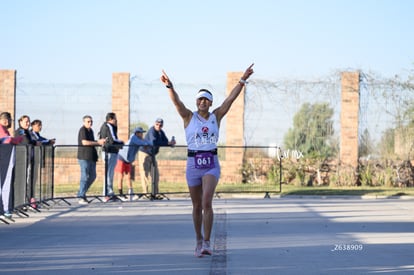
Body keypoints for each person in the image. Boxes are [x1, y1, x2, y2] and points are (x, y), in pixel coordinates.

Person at [160, 63, 254, 257]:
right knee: (195, 206)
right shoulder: (188, 117)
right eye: (200, 99)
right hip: (193, 163)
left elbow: (230, 99)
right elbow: (176, 102)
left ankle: (207, 242)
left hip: (210, 162)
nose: (203, 102)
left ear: (210, 103)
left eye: (206, 100)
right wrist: (170, 87)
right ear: (196, 102)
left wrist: (243, 80)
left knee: (206, 202)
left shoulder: (216, 116)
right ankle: (198, 240)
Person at [138, 118, 175, 199]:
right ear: (154, 124)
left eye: (160, 125)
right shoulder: (152, 131)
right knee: (145, 173)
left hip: (152, 154)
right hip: (145, 153)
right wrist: (167, 143)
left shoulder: (161, 132)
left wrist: (170, 143)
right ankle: (146, 194)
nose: (158, 126)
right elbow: (153, 142)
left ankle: (155, 193)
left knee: (155, 174)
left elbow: (165, 141)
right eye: (157, 124)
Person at [115, 127, 151, 201]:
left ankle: (130, 192)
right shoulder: (133, 137)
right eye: (141, 133)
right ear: (137, 133)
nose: (142, 134)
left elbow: (148, 143)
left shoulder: (139, 139)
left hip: (128, 159)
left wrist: (147, 143)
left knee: (128, 176)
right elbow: (143, 143)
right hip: (122, 157)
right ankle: (120, 194)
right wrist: (146, 143)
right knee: (120, 176)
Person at [77, 115, 106, 205]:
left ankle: (81, 193)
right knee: (85, 177)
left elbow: (92, 142)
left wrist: (100, 143)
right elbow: (84, 142)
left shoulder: (91, 131)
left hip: (92, 157)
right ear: (84, 122)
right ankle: (81, 196)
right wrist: (97, 142)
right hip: (84, 157)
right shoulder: (83, 130)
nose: (90, 123)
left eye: (91, 121)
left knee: (93, 176)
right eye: (88, 121)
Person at [0, 112, 23, 219]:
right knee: (5, 184)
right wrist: (18, 139)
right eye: (4, 119)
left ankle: (4, 209)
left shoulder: (5, 129)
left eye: (8, 119)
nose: (6, 121)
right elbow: (7, 140)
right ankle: (4, 209)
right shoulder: (1, 129)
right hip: (5, 158)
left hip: (6, 158)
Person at [99, 112, 124, 202]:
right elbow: (113, 139)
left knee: (110, 173)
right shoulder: (108, 126)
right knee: (108, 174)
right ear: (110, 119)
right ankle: (106, 194)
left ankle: (110, 192)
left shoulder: (112, 126)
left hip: (112, 152)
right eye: (115, 118)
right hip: (108, 152)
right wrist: (121, 142)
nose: (116, 120)